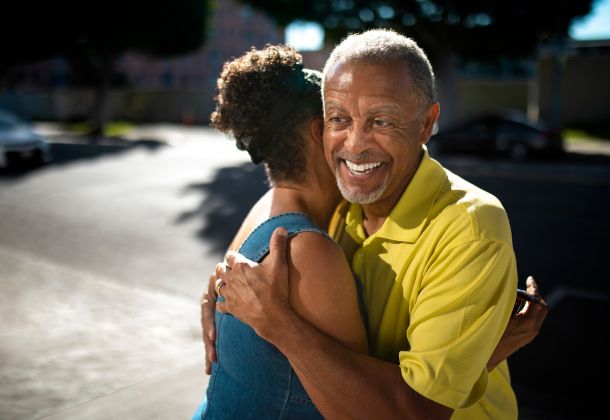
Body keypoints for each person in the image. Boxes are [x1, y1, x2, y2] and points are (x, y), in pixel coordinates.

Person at [208, 29, 549, 419]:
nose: (354, 145)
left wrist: (280, 326)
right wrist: (215, 287)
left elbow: (415, 412)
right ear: (319, 130)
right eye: (338, 118)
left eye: (381, 120)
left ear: (426, 124)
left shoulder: (470, 227)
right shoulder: (341, 203)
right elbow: (282, 197)